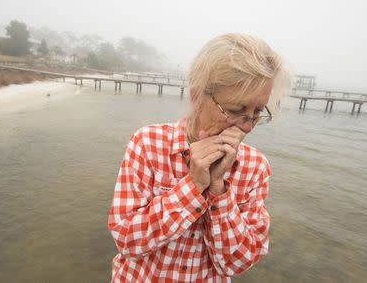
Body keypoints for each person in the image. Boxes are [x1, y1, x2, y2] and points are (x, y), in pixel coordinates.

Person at [107, 33, 289, 282]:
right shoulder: (147, 144)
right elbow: (126, 240)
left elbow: (237, 263)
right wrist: (192, 187)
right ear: (196, 97)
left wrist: (218, 189)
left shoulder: (255, 168)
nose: (247, 126)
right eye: (236, 110)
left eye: (257, 112)